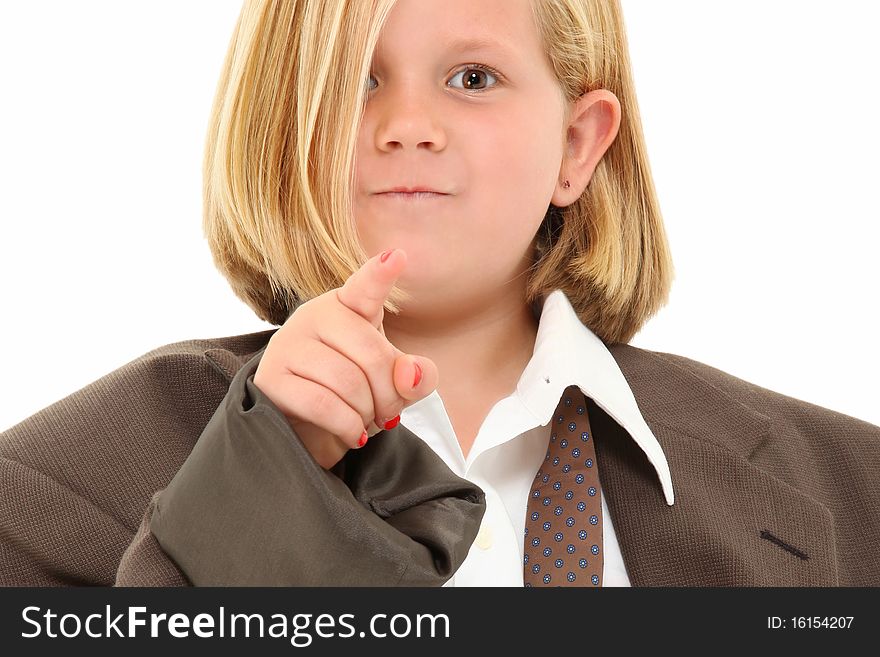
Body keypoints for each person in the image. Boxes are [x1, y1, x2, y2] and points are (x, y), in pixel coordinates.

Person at [2, 0, 878, 587]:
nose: (409, 127)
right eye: (356, 80)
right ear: (281, 129)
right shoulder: (48, 491)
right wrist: (263, 478)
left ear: (577, 145)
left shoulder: (855, 488)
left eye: (472, 79)